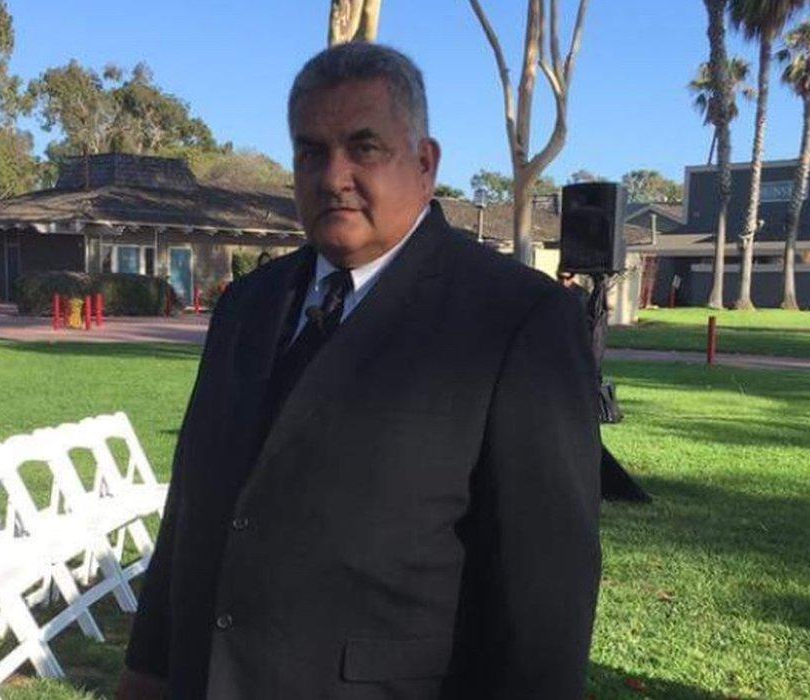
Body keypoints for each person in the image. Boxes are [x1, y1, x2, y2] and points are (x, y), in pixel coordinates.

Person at [119, 42, 601, 700]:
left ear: (425, 164)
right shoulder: (245, 307)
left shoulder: (517, 319)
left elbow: (544, 590)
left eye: (363, 147)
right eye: (310, 151)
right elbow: (191, 512)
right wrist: (147, 671)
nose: (332, 175)